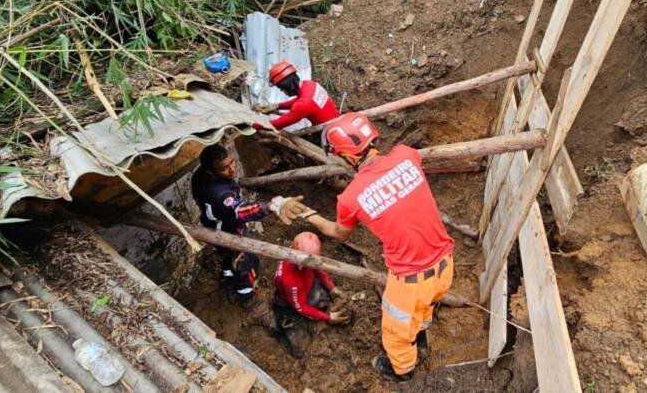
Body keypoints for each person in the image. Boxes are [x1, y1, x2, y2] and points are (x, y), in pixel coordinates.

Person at [285, 113, 455, 381]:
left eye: (338, 156)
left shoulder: (351, 197)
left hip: (410, 281)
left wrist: (308, 215)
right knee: (425, 308)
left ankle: (402, 371)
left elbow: (338, 232)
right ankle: (420, 337)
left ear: (349, 157)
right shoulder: (406, 154)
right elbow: (400, 175)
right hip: (445, 264)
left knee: (396, 332)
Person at [191, 144, 280, 302]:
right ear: (211, 172)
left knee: (226, 255)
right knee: (243, 259)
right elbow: (239, 211)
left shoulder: (199, 176)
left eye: (232, 162)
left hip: (212, 223)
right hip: (226, 229)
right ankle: (246, 294)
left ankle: (227, 273)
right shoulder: (220, 194)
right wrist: (268, 207)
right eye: (225, 168)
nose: (232, 169)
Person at [269, 232, 350, 358]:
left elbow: (317, 267)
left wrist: (332, 287)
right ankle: (277, 328)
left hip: (307, 285)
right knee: (300, 350)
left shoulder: (297, 250)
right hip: (291, 303)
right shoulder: (289, 280)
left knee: (325, 302)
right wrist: (328, 318)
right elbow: (301, 307)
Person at [252, 60, 339, 130]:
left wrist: (253, 125)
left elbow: (277, 125)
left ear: (287, 85)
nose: (282, 91)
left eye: (281, 88)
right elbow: (301, 100)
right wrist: (277, 106)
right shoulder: (310, 84)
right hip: (336, 122)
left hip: (328, 131)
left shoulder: (303, 105)